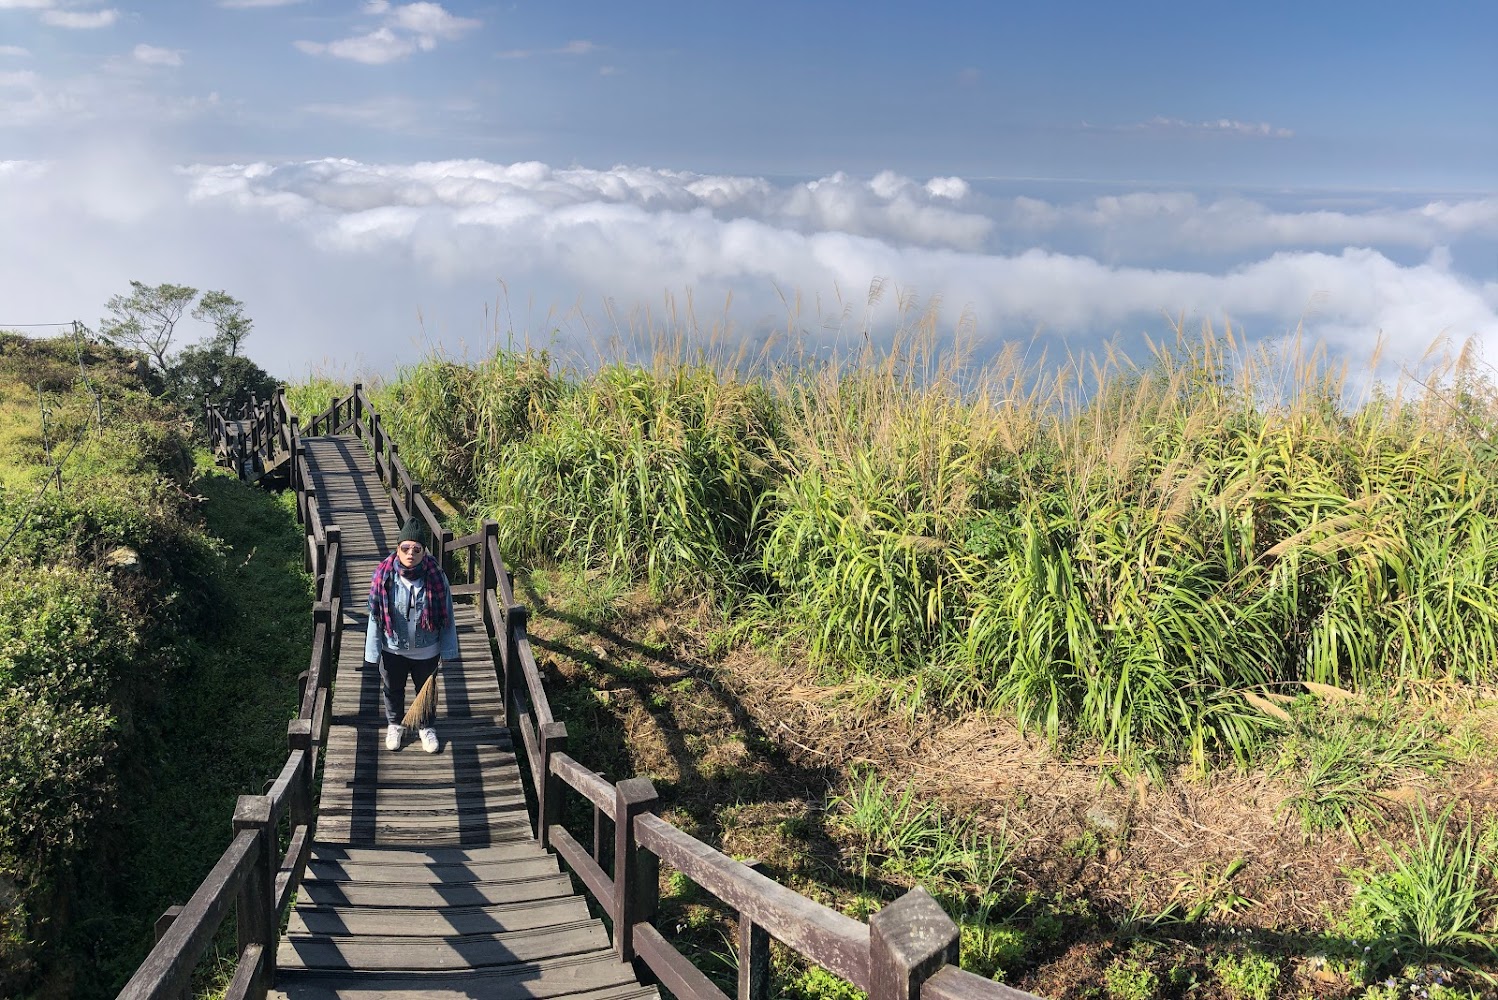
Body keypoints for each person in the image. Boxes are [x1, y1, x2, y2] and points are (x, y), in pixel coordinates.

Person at [365, 516, 458, 753]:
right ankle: (395, 724)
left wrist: (448, 651)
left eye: (416, 549)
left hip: (427, 649)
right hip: (393, 647)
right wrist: (372, 651)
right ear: (397, 549)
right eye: (405, 548)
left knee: (425, 691)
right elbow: (375, 616)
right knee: (392, 688)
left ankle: (426, 727)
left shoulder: (436, 576)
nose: (410, 553)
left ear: (424, 552)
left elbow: (447, 614)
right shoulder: (384, 576)